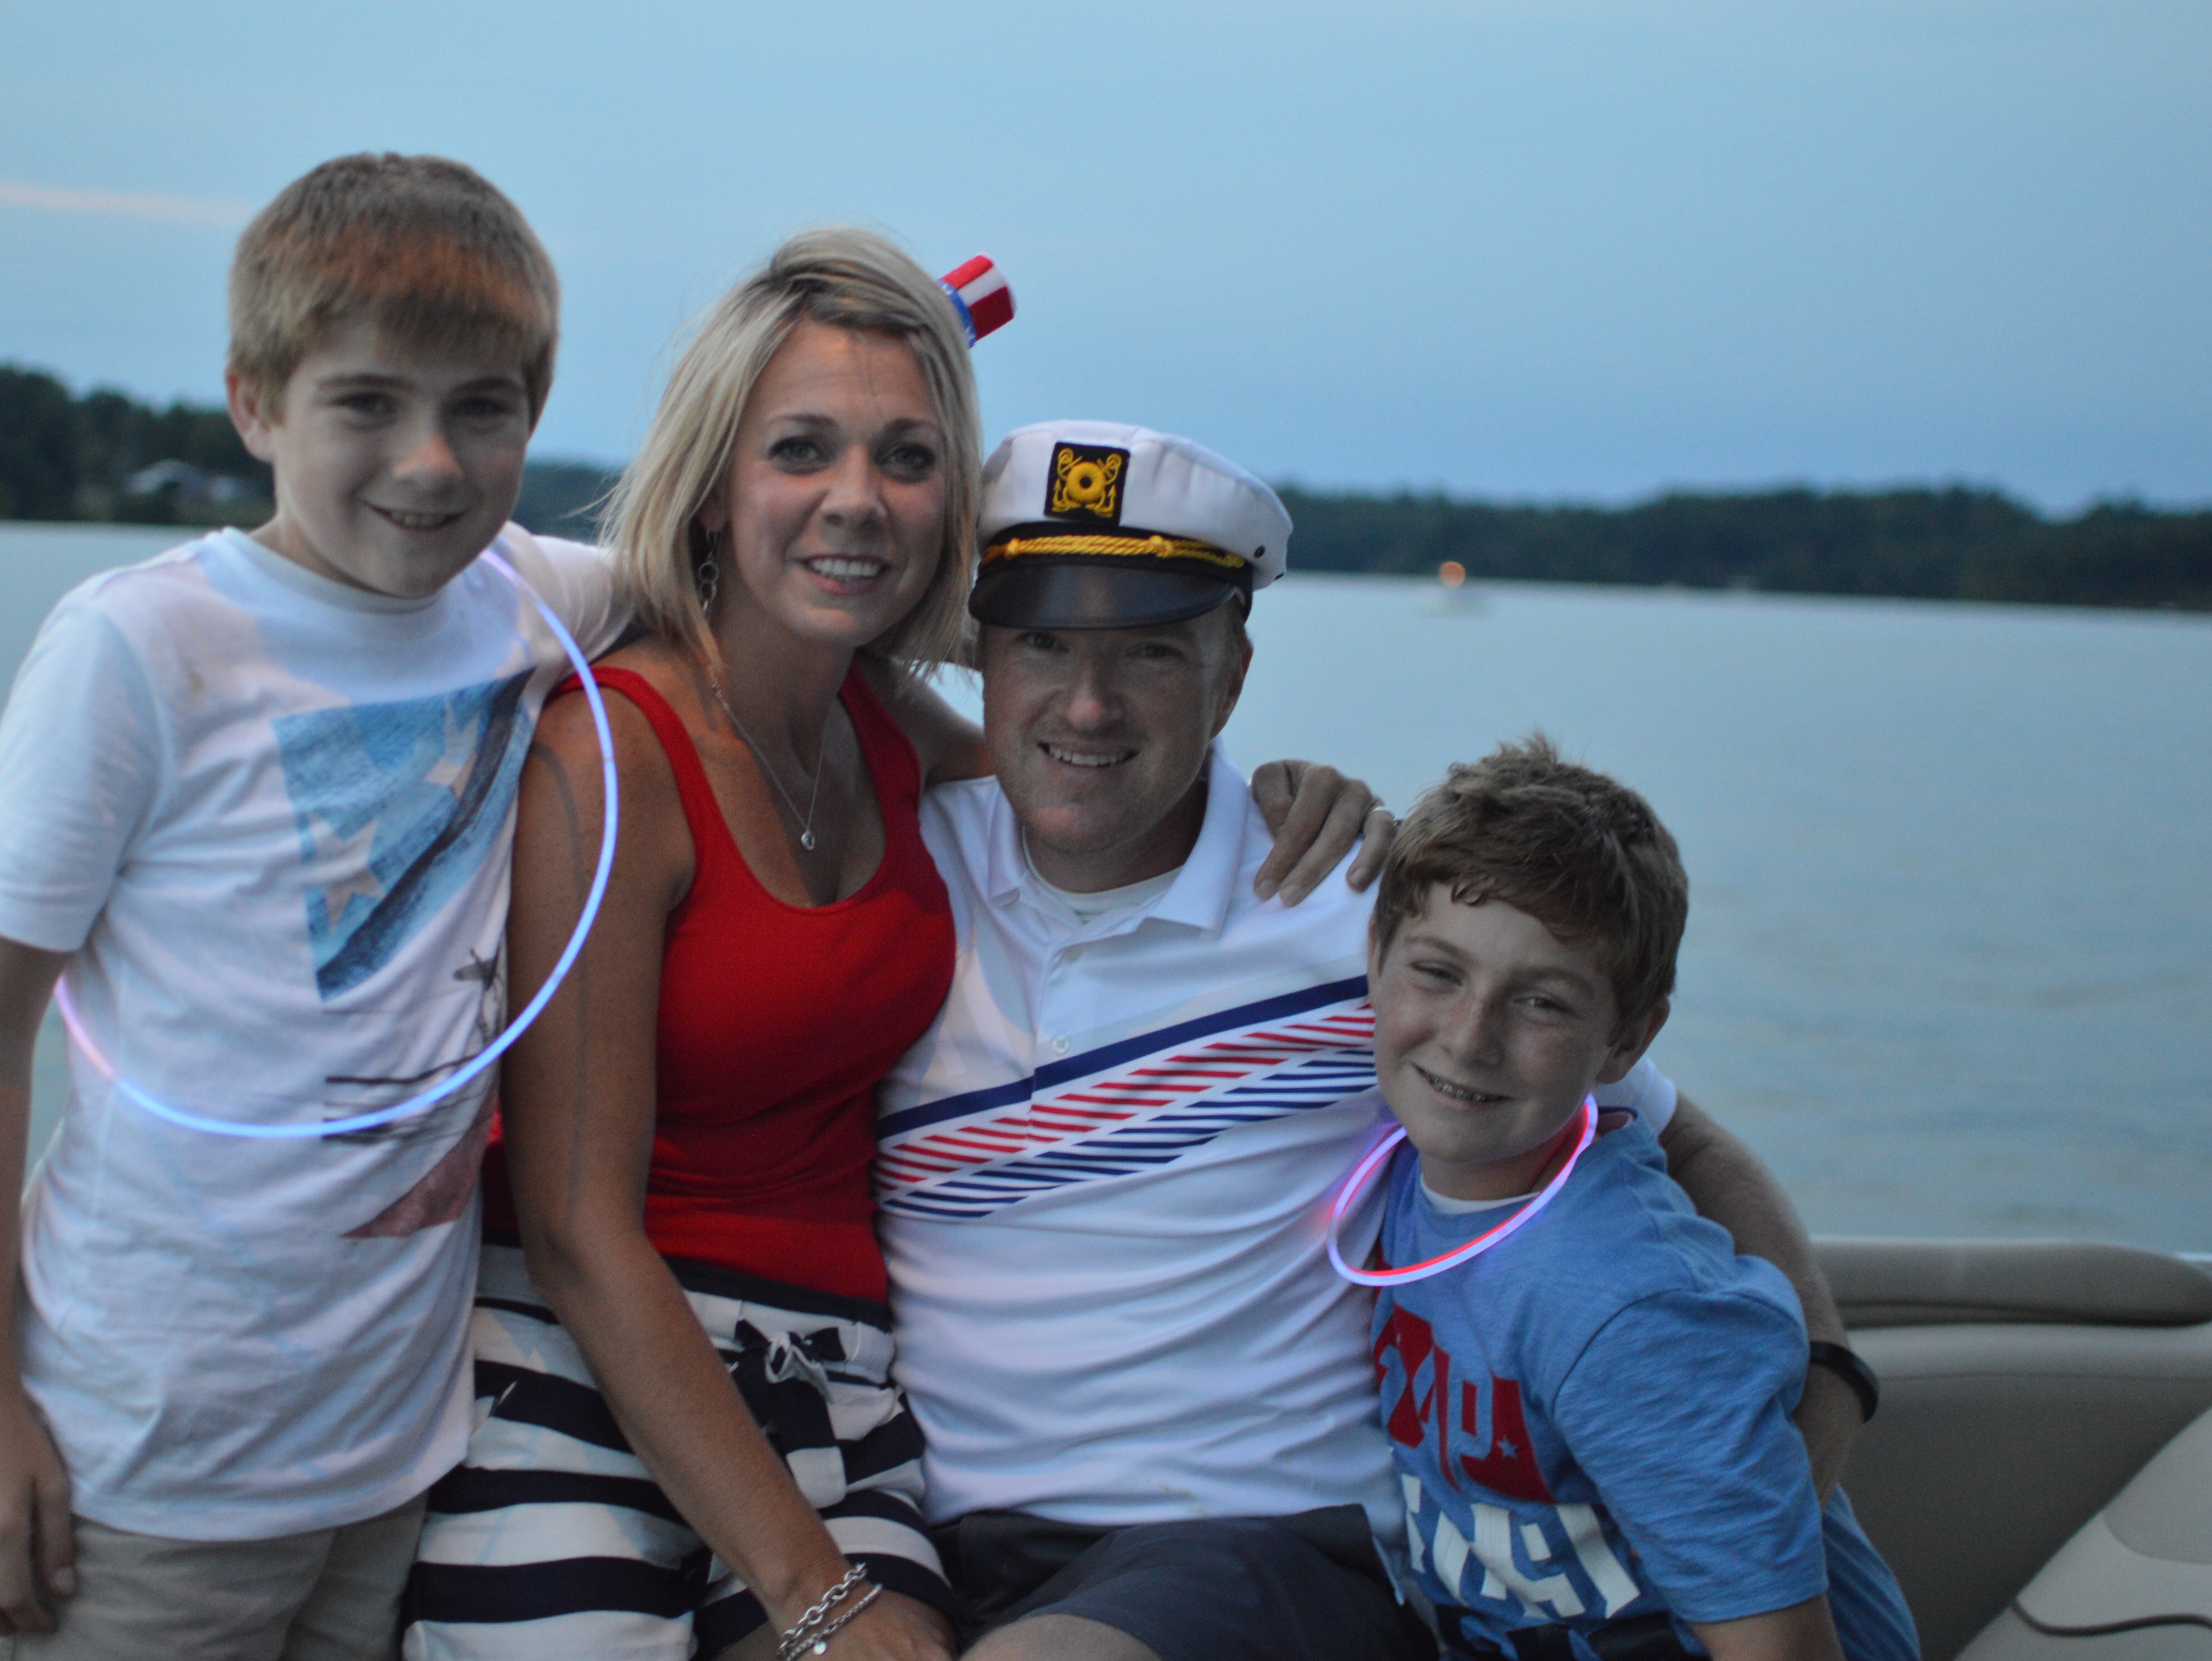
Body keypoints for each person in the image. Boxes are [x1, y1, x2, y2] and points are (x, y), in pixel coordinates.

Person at [400, 238, 1376, 1661]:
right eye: (801, 448)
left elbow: (1096, 769)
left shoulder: (889, 738)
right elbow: (573, 1228)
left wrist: (1291, 804)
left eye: (909, 459)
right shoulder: (611, 758)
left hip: (838, 1387)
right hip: (578, 1362)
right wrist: (820, 1596)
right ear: (715, 483)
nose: (857, 498)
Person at [874, 421, 1874, 1661]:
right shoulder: (882, 882)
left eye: (1153, 652)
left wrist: (1828, 1372)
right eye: (1042, 644)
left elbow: (1685, 1147)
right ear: (977, 655)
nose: (1088, 703)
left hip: (1263, 1547)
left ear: (1234, 676)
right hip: (932, 1540)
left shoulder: (1361, 919)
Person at [0, 153, 625, 1658]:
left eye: (482, 409)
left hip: (392, 1462)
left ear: (535, 413)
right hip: (138, 1469)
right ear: (255, 405)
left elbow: (757, 586)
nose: (429, 463)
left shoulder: (530, 599)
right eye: (365, 403)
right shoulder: (142, 646)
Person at [1358, 739, 1916, 1661]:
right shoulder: (1411, 1181)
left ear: (1628, 1042)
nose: (1468, 1038)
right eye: (1439, 973)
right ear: (1375, 956)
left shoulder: (1628, 1310)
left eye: (1543, 1003)